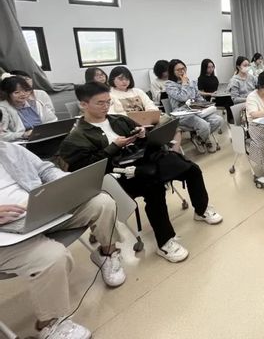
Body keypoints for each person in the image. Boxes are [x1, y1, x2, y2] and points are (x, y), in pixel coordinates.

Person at [58, 82, 223, 264]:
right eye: (100, 103)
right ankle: (165, 241)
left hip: (144, 161)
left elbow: (143, 140)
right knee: (154, 187)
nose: (106, 106)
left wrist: (143, 135)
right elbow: (86, 169)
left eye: (108, 102)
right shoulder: (76, 137)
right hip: (117, 175)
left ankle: (201, 210)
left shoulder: (119, 120)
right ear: (83, 104)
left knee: (191, 169)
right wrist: (113, 147)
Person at [0, 119, 126, 339]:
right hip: (5, 233)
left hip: (35, 210)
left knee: (102, 202)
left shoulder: (9, 149)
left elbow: (45, 169)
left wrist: (65, 184)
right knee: (52, 256)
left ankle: (107, 254)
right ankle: (50, 323)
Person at [166, 59, 224, 154]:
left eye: (183, 68)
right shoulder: (169, 85)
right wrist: (184, 83)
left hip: (196, 109)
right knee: (204, 125)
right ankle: (205, 139)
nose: (182, 71)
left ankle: (198, 138)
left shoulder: (192, 82)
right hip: (182, 113)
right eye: (178, 70)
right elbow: (183, 97)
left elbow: (198, 96)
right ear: (172, 72)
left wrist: (205, 105)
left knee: (218, 120)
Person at [0, 76, 57, 142]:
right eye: (17, 92)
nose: (23, 94)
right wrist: (23, 134)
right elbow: (2, 135)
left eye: (26, 90)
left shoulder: (35, 103)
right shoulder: (2, 109)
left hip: (43, 138)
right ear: (6, 94)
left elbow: (52, 120)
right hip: (21, 143)